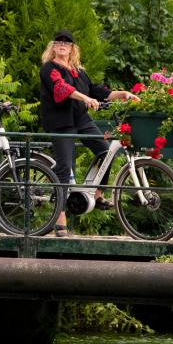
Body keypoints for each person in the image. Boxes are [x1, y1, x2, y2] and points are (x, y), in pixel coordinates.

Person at [39, 29, 139, 237]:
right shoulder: (49, 68)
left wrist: (123, 94)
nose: (62, 44)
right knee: (65, 168)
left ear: (73, 48)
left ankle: (98, 195)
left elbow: (97, 90)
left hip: (81, 119)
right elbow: (61, 88)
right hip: (61, 123)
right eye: (58, 41)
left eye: (67, 42)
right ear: (53, 46)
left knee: (106, 151)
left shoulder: (78, 70)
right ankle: (60, 219)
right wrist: (85, 99)